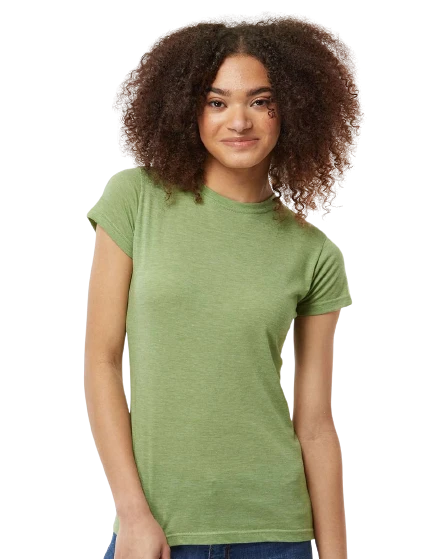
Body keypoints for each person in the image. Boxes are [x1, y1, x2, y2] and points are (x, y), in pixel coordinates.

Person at [85, 12, 364, 559]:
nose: (239, 120)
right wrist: (134, 515)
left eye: (261, 101)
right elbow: (101, 360)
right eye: (217, 102)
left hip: (278, 534)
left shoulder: (311, 253)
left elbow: (314, 425)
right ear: (188, 108)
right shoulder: (136, 201)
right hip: (159, 534)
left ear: (293, 109)